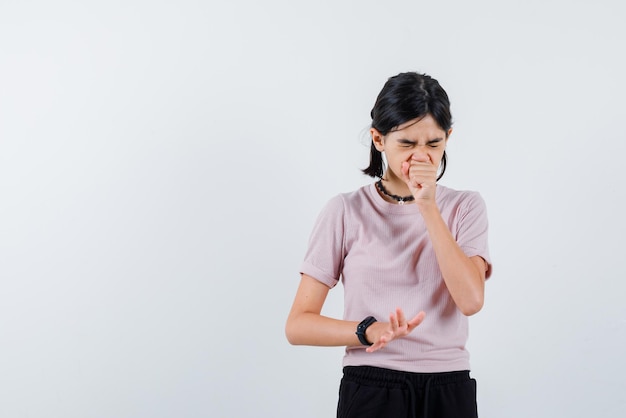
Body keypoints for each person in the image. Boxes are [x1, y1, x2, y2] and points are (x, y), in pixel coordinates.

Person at [285, 72, 492, 418]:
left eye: (434, 144)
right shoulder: (346, 211)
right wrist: (367, 331)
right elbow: (298, 325)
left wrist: (427, 206)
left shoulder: (465, 207)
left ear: (448, 138)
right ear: (379, 139)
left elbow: (471, 300)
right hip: (372, 388)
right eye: (407, 144)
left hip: (448, 386)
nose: (422, 158)